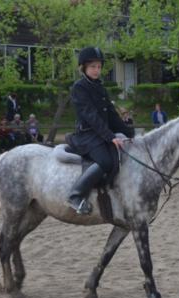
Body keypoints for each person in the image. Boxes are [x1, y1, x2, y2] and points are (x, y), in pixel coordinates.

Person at [66, 46, 135, 214]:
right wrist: (111, 137)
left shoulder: (100, 87)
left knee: (119, 157)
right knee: (105, 161)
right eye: (92, 67)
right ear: (83, 68)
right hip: (87, 135)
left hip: (100, 135)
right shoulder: (79, 87)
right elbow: (91, 116)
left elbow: (111, 116)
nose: (97, 70)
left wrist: (130, 133)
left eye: (99, 67)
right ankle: (75, 196)